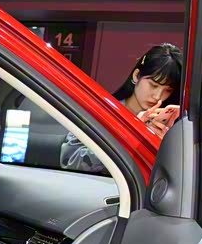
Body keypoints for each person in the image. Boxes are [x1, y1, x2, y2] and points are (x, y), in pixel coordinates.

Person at [61, 43, 183, 173]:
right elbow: (71, 160)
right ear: (136, 75)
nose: (158, 96)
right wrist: (131, 136)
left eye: (167, 90)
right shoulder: (102, 112)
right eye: (153, 85)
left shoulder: (167, 125)